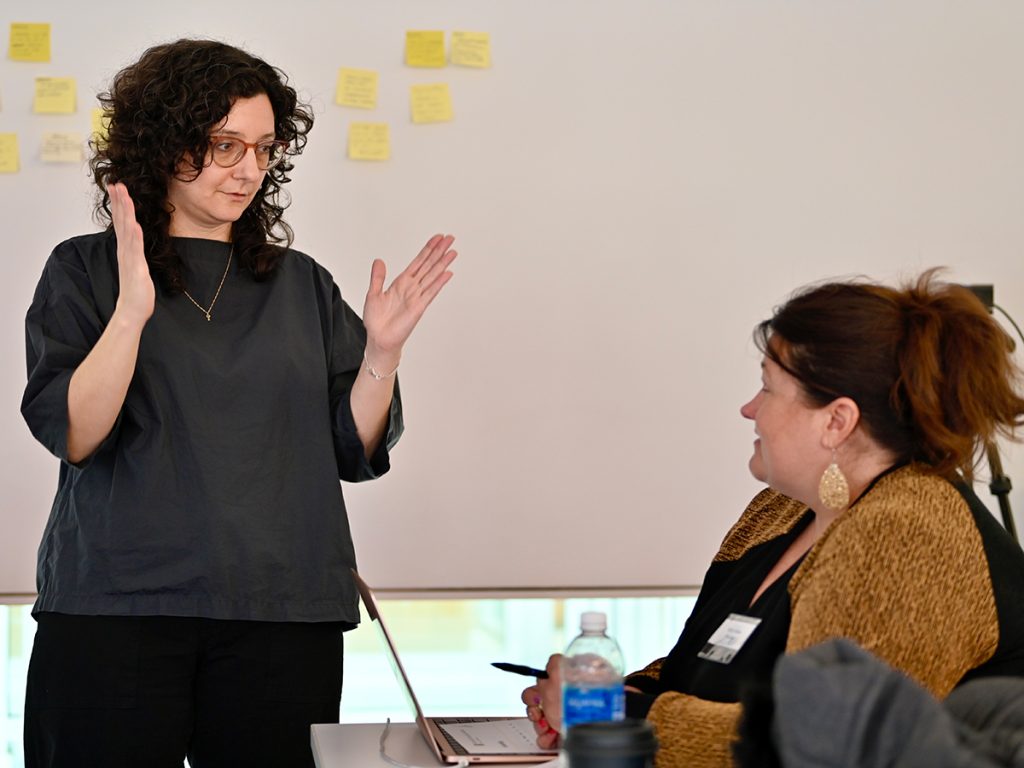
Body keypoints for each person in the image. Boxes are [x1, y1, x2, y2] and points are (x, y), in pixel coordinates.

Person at [20, 39, 456, 768]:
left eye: (262, 148)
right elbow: (76, 433)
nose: (249, 168)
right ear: (163, 143)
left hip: (281, 615)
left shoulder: (302, 285)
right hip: (118, 608)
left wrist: (381, 356)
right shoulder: (84, 270)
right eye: (225, 145)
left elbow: (354, 449)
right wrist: (131, 310)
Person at [522, 271, 1024, 768]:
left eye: (767, 388)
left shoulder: (910, 535)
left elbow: (815, 744)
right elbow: (707, 670)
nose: (748, 409)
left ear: (836, 421)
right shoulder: (780, 509)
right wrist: (612, 693)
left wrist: (614, 717)